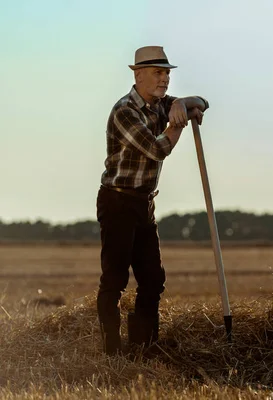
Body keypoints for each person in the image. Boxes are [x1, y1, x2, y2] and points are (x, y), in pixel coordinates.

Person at [96, 46, 208, 355]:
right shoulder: (125, 111)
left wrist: (186, 103)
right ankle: (112, 350)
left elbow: (203, 102)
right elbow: (157, 149)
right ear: (138, 75)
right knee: (115, 279)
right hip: (117, 202)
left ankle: (143, 346)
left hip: (144, 202)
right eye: (158, 73)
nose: (165, 79)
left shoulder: (160, 104)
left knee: (153, 278)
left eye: (168, 73)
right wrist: (177, 124)